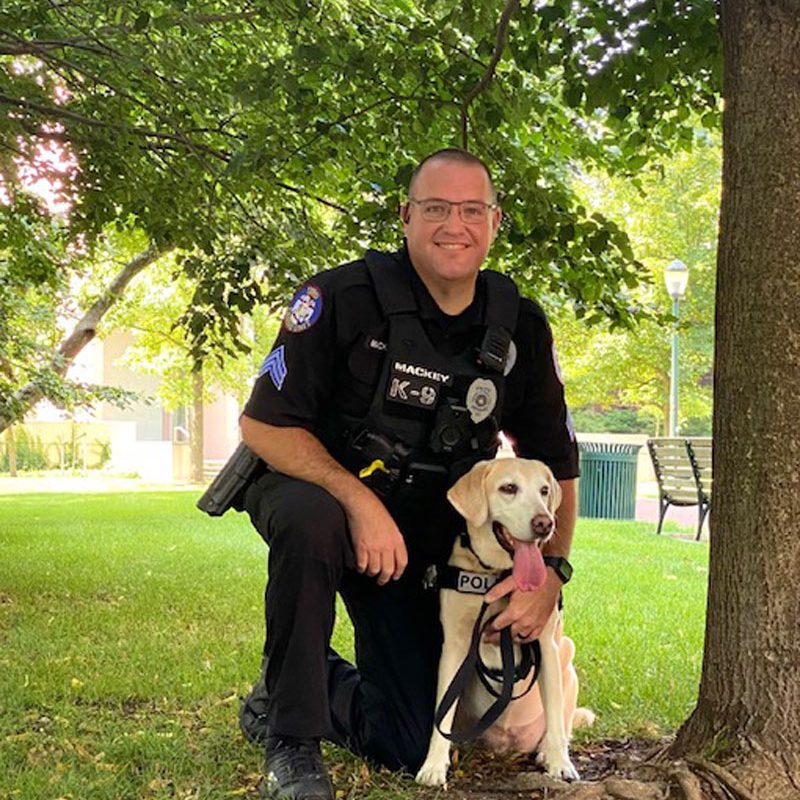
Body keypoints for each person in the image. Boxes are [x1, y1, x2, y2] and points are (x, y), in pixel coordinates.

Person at [237, 148, 579, 800]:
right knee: (312, 522)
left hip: (424, 524)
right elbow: (262, 425)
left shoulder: (518, 326)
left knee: (409, 737)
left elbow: (557, 467)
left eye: (471, 210)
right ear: (406, 217)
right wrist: (357, 501)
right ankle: (291, 740)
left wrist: (551, 576)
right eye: (436, 208)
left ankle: (291, 686)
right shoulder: (338, 298)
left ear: (494, 221)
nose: (455, 224)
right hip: (320, 492)